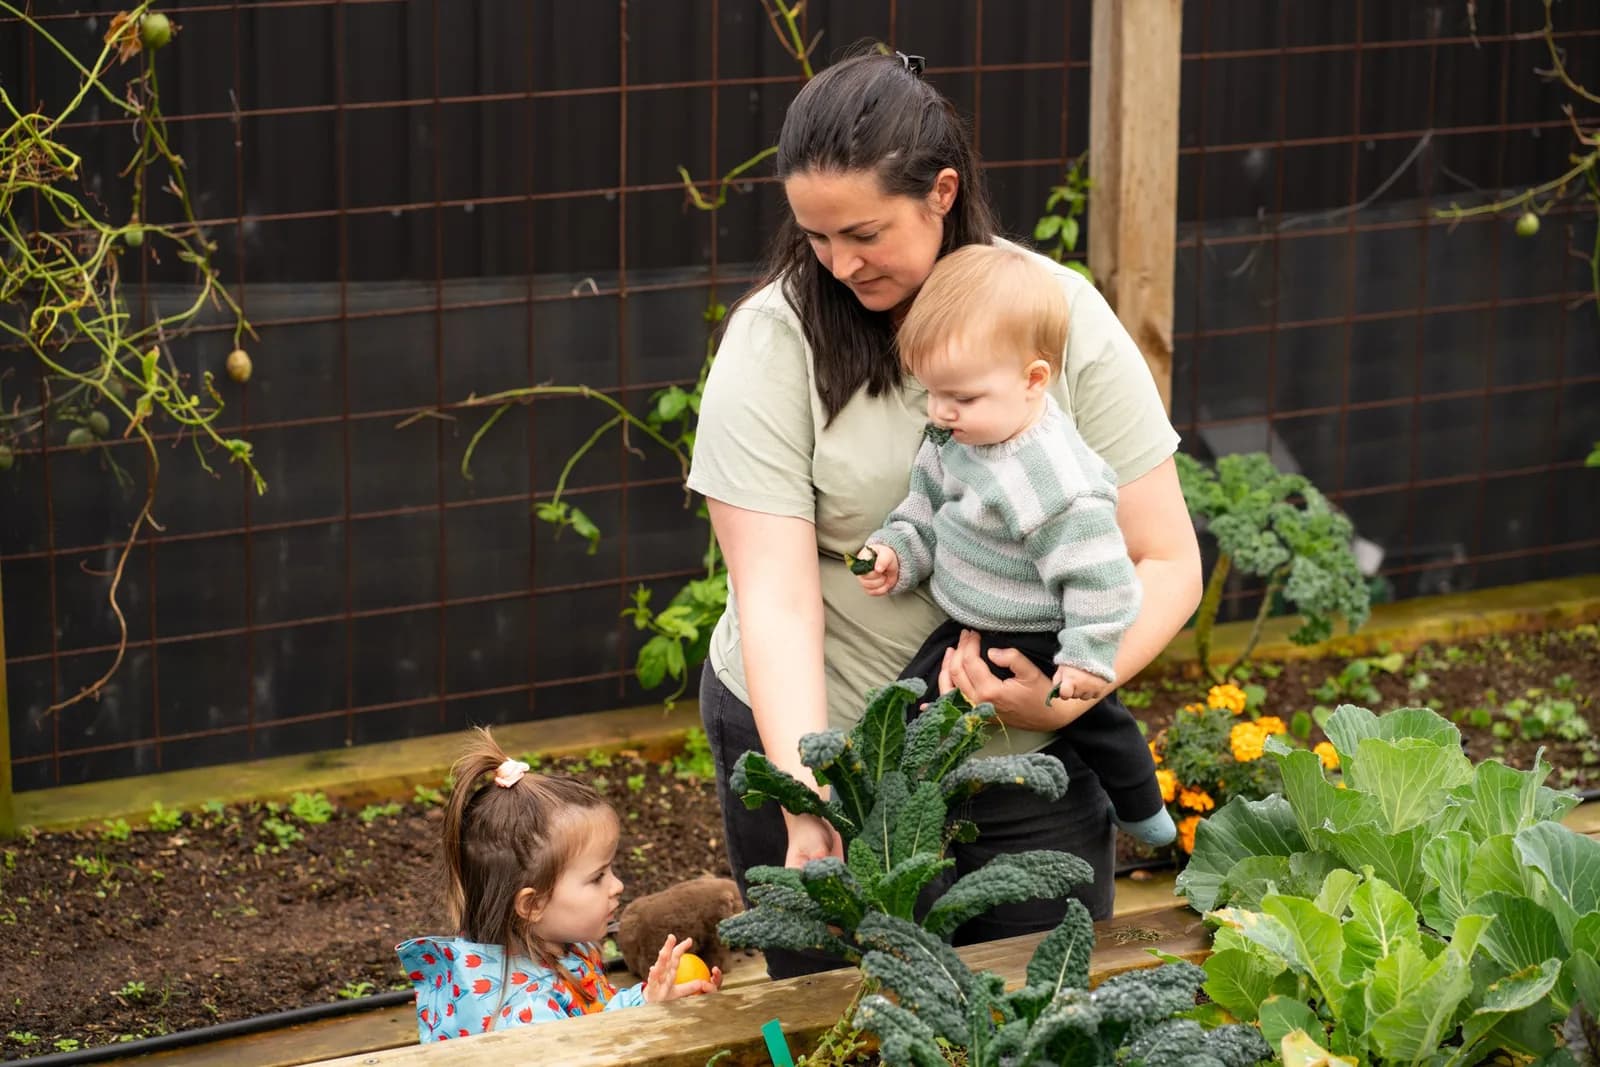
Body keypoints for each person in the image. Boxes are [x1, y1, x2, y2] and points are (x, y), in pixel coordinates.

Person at [687, 49, 1202, 979]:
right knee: (844, 1018)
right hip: (824, 740)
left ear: (942, 193)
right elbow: (776, 597)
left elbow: (1164, 559)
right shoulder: (773, 342)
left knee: (1034, 1005)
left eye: (864, 233)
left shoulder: (1060, 317)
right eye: (815, 236)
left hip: (1023, 750)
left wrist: (1056, 699)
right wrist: (810, 798)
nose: (838, 264)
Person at [856, 244, 1174, 848]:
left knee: (1099, 724)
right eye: (931, 392)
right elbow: (925, 506)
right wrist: (897, 550)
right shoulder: (954, 435)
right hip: (971, 618)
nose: (942, 412)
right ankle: (898, 814)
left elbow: (1101, 579)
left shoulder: (1053, 482)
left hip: (1042, 626)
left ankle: (1141, 808)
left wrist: (1084, 658)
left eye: (963, 398)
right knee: (907, 707)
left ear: (1034, 381)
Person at [396, 728, 721, 1042]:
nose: (618, 886)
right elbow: (593, 1051)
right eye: (597, 877)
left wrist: (650, 1000)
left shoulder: (553, 941)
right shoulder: (523, 1017)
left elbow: (596, 1019)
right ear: (532, 905)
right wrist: (650, 1017)